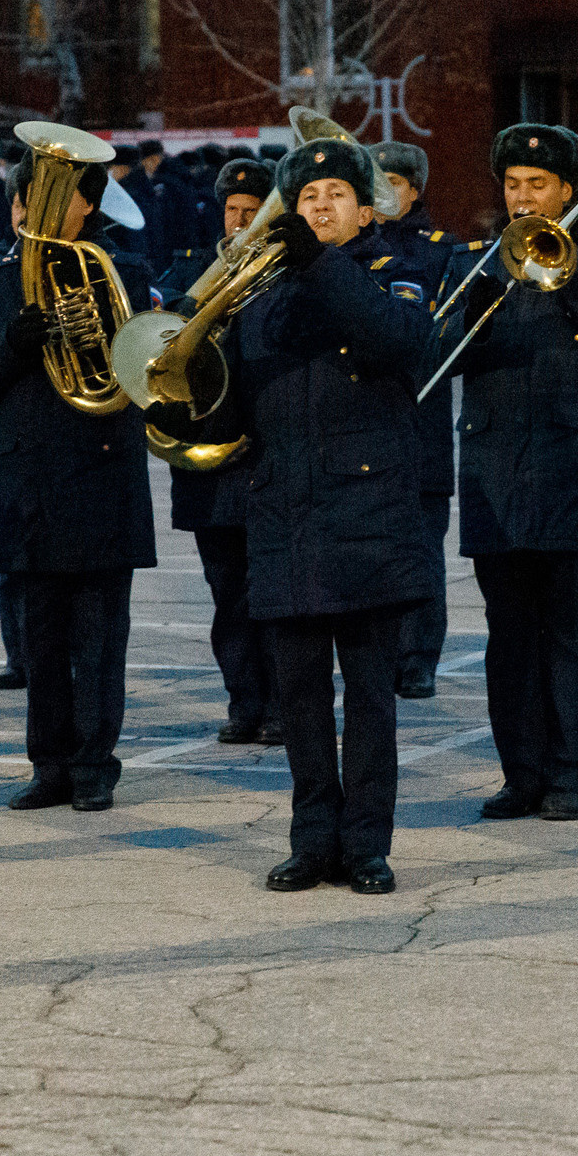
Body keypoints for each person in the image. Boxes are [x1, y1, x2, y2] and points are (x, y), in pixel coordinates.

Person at [226, 135, 440, 893]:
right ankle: (312, 838)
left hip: (368, 509)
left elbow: (399, 339)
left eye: (335, 197)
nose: (320, 207)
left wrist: (316, 265)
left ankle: (367, 844)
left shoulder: (397, 270)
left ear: (364, 206)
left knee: (372, 694)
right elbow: (231, 399)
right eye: (307, 199)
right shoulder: (260, 288)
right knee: (301, 696)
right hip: (284, 509)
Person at [427, 124, 578, 823]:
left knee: (569, 632)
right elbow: (437, 356)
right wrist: (470, 317)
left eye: (536, 185)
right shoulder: (474, 263)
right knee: (507, 635)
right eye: (512, 185)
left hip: (572, 472)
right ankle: (520, 773)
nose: (522, 198)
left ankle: (568, 774)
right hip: (495, 472)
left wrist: (566, 273)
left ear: (566, 190)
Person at [0, 147, 158, 813]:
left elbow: (143, 372)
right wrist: (13, 341)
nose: (34, 214)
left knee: (101, 636)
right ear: (14, 206)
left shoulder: (123, 268)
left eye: (56, 198)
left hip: (103, 469)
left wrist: (93, 332)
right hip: (30, 476)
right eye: (26, 201)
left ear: (88, 206)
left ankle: (96, 763)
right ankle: (49, 762)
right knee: (41, 636)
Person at [167, 156, 280, 743]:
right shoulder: (189, 271)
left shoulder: (283, 280)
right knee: (227, 595)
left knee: (274, 591)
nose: (240, 222)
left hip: (264, 458)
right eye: (232, 211)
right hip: (208, 461)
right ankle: (245, 702)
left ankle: (281, 707)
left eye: (251, 212)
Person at [368, 139, 462, 699]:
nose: (384, 196)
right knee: (374, 547)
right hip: (367, 423)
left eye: (395, 185)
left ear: (416, 190)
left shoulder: (441, 251)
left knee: (423, 551)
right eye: (376, 185)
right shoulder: (350, 249)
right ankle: (381, 653)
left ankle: (421, 656)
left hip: (421, 424)